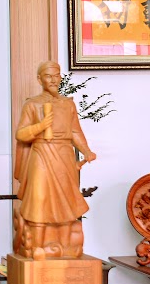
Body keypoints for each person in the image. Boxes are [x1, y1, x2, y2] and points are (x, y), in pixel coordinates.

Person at [13, 61, 96, 260]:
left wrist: (86, 151)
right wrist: (41, 126)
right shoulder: (32, 104)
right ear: (39, 79)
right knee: (39, 198)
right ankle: (37, 246)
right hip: (41, 153)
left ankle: (66, 246)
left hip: (64, 155)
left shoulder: (68, 104)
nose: (53, 80)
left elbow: (75, 131)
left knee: (66, 201)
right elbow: (21, 134)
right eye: (48, 76)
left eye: (56, 75)